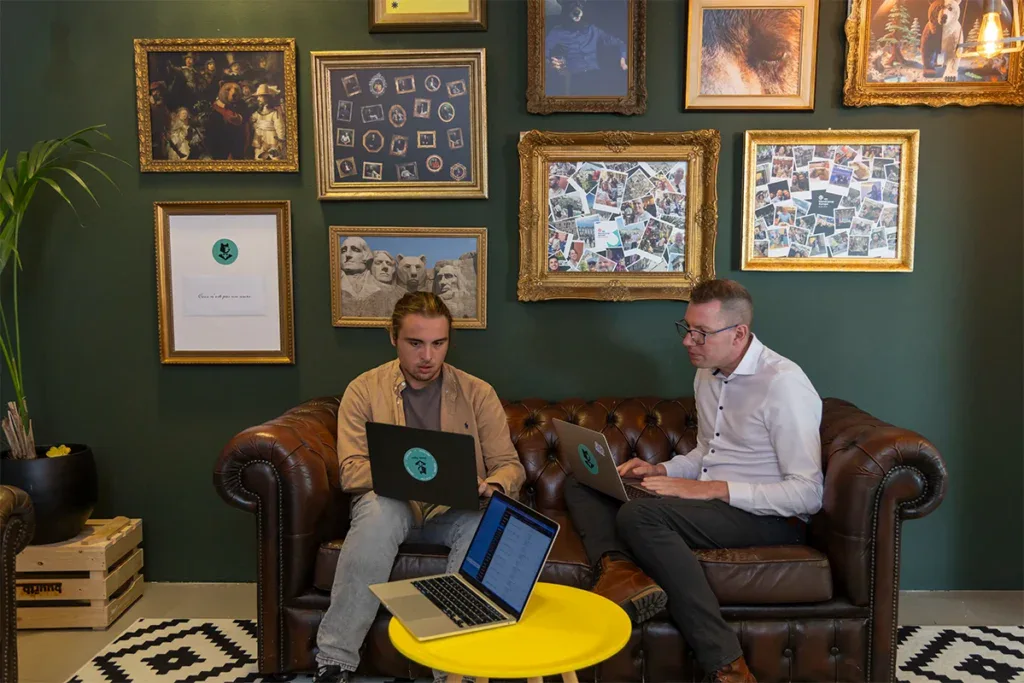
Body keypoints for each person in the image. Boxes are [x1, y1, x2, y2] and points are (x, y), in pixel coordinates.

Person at [563, 279, 823, 683]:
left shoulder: (783, 384)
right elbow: (708, 452)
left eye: (701, 333)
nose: (688, 341)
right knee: (583, 481)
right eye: (687, 329)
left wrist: (712, 489)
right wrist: (662, 469)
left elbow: (807, 494)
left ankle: (728, 667)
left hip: (769, 517)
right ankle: (620, 573)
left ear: (738, 334)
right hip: (709, 505)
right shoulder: (708, 374)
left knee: (641, 516)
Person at [314, 292, 526, 683]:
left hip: (455, 511)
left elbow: (509, 466)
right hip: (392, 504)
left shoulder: (478, 392)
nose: (427, 356)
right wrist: (405, 473)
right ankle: (334, 661)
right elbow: (351, 471)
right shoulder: (363, 390)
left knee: (483, 526)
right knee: (378, 514)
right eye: (415, 343)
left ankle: (452, 673)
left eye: (438, 343)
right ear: (392, 337)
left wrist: (491, 484)